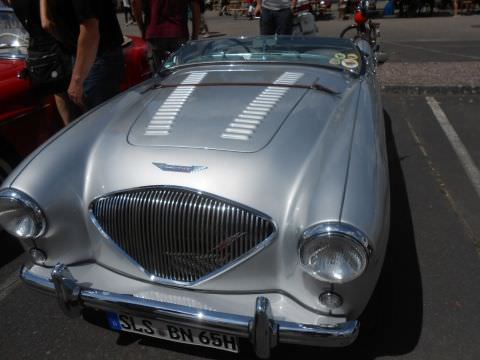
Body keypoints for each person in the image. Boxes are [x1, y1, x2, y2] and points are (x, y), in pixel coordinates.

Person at [40, 0, 125, 112]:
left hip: (97, 57)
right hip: (83, 55)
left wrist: (77, 80)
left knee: (100, 120)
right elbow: (46, 24)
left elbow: (90, 30)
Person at [7, 0, 76, 125]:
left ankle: (70, 128)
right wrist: (65, 41)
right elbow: (46, 24)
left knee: (59, 91)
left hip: (37, 52)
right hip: (54, 45)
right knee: (78, 90)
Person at [132, 0, 200, 71]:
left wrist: (142, 28)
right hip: (179, 32)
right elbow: (196, 6)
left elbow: (135, 3)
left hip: (155, 33)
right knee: (180, 74)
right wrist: (195, 36)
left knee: (158, 75)